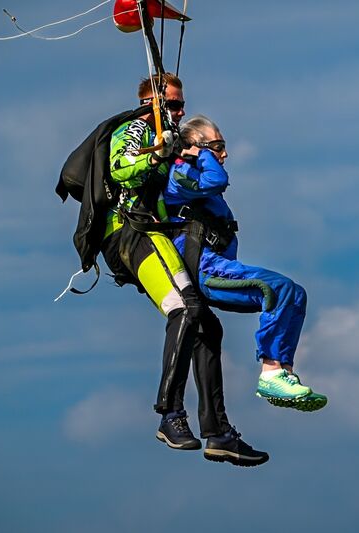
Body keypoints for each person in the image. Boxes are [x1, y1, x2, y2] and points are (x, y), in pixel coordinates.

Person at [100, 74, 268, 467]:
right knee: (186, 310)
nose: (179, 113)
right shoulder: (136, 128)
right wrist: (158, 153)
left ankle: (219, 434)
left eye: (181, 106)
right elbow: (123, 167)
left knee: (207, 327)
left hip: (153, 233)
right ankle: (170, 414)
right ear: (150, 103)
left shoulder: (170, 138)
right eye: (172, 106)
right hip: (130, 231)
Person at [163, 114, 327, 412]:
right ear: (193, 146)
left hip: (218, 265)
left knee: (295, 294)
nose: (224, 154)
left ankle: (283, 373)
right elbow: (216, 180)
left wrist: (203, 152)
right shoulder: (179, 175)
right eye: (218, 145)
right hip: (206, 268)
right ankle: (270, 372)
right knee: (275, 288)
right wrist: (199, 154)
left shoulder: (192, 172)